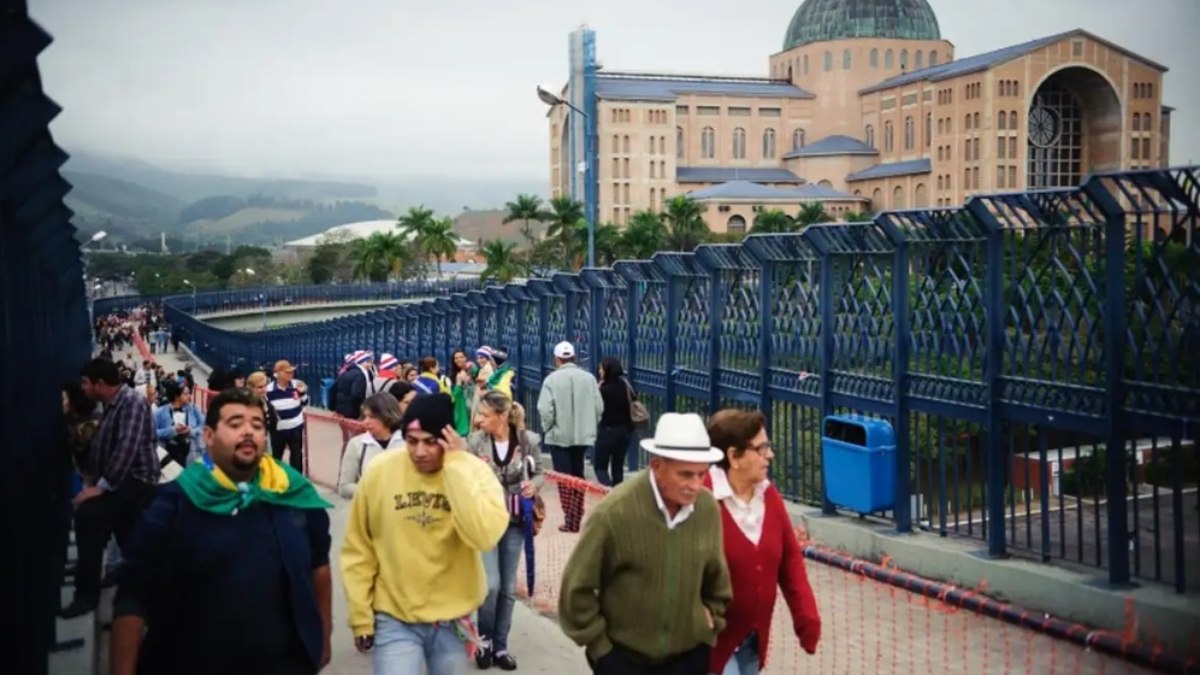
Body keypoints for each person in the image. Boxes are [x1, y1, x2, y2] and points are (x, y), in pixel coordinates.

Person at [110, 388, 333, 675]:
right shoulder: (173, 504)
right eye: (235, 423)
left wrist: (322, 636)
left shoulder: (293, 493)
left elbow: (319, 568)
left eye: (257, 425)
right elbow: (132, 594)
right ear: (208, 436)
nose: (248, 431)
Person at [341, 394, 509, 675]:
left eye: (430, 442)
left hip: (452, 619)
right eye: (411, 441)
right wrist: (361, 616)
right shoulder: (380, 472)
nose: (419, 451)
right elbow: (359, 549)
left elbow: (483, 536)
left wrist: (456, 467)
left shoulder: (474, 473)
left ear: (449, 437)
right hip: (394, 616)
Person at [558, 412, 732, 675]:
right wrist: (601, 650)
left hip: (689, 658)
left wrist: (710, 624)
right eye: (685, 474)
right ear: (657, 467)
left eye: (701, 474)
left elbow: (717, 580)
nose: (695, 485)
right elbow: (576, 588)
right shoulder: (614, 513)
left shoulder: (707, 509)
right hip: (624, 660)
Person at [704, 409, 821, 675]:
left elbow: (790, 561)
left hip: (753, 640)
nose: (770, 455)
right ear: (734, 457)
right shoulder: (703, 498)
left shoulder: (768, 495)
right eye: (761, 448)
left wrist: (806, 617)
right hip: (712, 642)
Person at [62, 358, 160, 618]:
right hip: (123, 484)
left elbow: (126, 448)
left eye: (86, 383)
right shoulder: (112, 405)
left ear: (100, 383)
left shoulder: (132, 402)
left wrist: (101, 488)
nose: (83, 388)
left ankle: (87, 595)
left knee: (89, 517)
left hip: (135, 482)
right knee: (130, 540)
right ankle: (145, 596)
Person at [467, 391, 544, 670]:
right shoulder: (475, 442)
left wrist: (534, 485)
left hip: (514, 521)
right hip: (486, 521)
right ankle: (484, 641)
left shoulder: (527, 440)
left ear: (501, 416)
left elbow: (540, 472)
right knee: (491, 585)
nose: (478, 420)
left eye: (484, 415)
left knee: (508, 587)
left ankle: (500, 646)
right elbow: (465, 475)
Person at [536, 341, 603, 533]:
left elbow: (545, 409)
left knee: (564, 478)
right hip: (582, 436)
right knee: (578, 475)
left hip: (558, 436)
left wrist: (548, 428)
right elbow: (599, 407)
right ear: (573, 357)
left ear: (557, 359)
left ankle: (569, 517)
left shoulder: (551, 380)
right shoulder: (589, 378)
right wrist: (589, 426)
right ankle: (577, 516)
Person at [336, 392, 405, 499]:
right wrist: (371, 492)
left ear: (387, 415)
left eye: (372, 417)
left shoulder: (407, 442)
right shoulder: (356, 444)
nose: (366, 422)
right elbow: (344, 487)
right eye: (364, 417)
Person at [595, 356, 634, 486]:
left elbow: (596, 408)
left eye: (601, 368)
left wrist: (598, 387)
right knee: (618, 466)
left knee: (600, 467)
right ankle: (617, 491)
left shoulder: (603, 390)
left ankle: (607, 491)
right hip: (625, 431)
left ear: (607, 370)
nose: (599, 371)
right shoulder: (626, 386)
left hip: (607, 431)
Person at [266, 359, 309, 472]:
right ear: (278, 374)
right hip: (278, 429)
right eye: (287, 372)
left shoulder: (297, 384)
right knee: (277, 456)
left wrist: (302, 393)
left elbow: (305, 402)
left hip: (296, 426)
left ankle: (297, 479)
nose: (291, 374)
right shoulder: (269, 390)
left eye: (291, 371)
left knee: (297, 456)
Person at [152, 380, 204, 469]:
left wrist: (191, 431)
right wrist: (171, 430)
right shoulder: (160, 412)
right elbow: (152, 432)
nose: (189, 396)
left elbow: (203, 426)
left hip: (191, 453)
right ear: (176, 397)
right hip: (168, 454)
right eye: (186, 394)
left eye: (189, 393)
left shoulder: (194, 409)